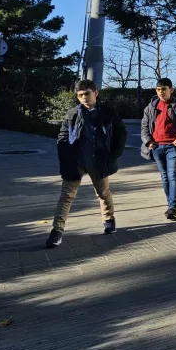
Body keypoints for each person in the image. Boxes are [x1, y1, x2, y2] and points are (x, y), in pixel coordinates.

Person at [45, 80, 127, 248]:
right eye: (80, 95)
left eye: (87, 94)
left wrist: (114, 154)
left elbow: (121, 132)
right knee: (66, 196)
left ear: (95, 93)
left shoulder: (107, 113)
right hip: (76, 162)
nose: (84, 98)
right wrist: (65, 156)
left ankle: (109, 220)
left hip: (98, 161)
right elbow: (62, 137)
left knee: (103, 193)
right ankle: (57, 231)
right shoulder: (72, 114)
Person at [141, 77, 176, 221]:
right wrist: (148, 142)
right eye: (158, 90)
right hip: (157, 147)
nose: (160, 92)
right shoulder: (150, 107)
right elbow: (144, 127)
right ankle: (170, 203)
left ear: (171, 90)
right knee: (164, 177)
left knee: (172, 176)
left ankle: (173, 207)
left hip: (173, 146)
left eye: (164, 89)